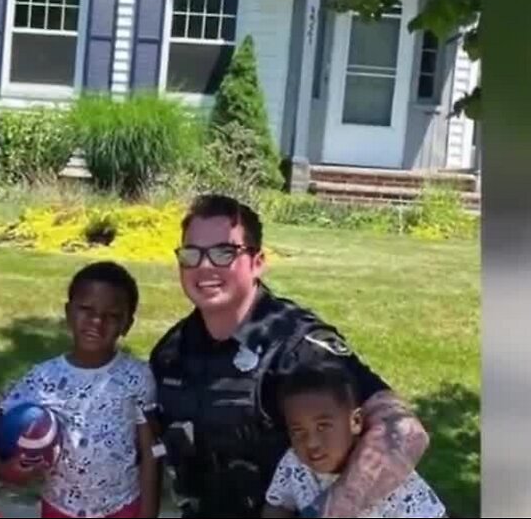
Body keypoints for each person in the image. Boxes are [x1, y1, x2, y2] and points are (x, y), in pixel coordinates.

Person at [149, 194, 431, 518]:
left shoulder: (296, 346)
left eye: (224, 252)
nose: (204, 265)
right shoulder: (171, 352)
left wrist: (329, 510)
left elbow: (405, 432)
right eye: (191, 253)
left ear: (257, 262)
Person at [0, 262, 159, 519]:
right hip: (60, 508)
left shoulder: (137, 377)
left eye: (112, 315)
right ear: (68, 313)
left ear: (127, 323)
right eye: (86, 309)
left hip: (121, 507)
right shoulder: (44, 378)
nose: (97, 321)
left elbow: (151, 453)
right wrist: (1, 467)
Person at [263, 362, 446, 518]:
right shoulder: (294, 463)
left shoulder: (385, 474)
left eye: (323, 426)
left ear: (355, 421)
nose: (311, 442)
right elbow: (278, 504)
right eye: (298, 431)